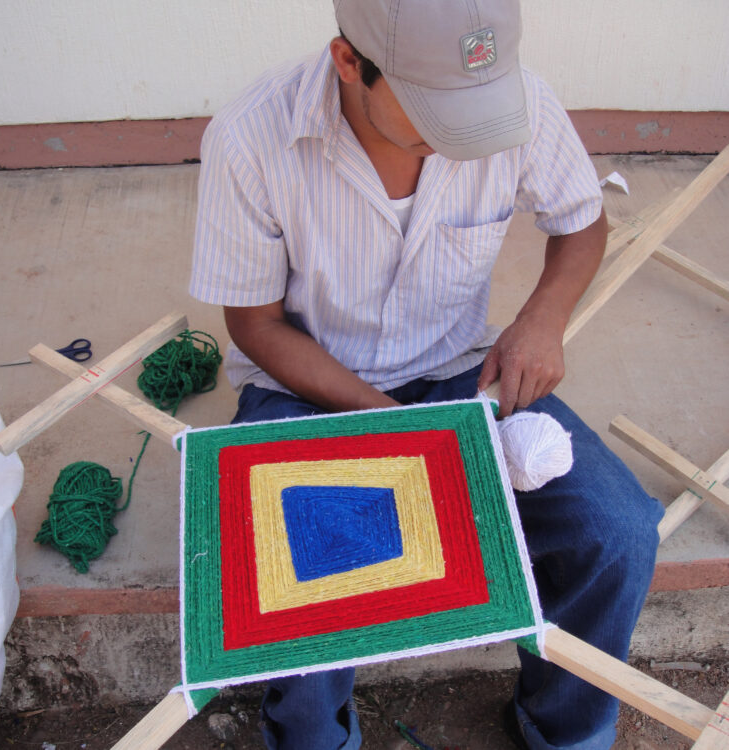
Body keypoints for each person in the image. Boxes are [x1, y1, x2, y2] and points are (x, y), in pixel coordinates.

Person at [190, 0, 664, 747]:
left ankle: (565, 728)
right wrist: (402, 433)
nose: (460, 139)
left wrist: (542, 318)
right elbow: (257, 326)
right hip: (305, 388)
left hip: (456, 375)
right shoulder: (253, 135)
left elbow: (581, 221)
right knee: (306, 581)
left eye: (474, 110)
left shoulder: (516, 102)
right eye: (433, 111)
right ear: (350, 62)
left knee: (617, 531)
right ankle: (313, 739)